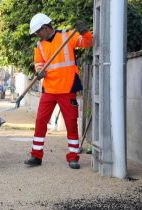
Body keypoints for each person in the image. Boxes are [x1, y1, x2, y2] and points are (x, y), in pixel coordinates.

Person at [24, 13, 93, 169]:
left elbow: (87, 43)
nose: (37, 35)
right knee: (41, 121)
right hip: (48, 88)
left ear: (46, 28)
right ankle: (36, 156)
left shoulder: (67, 36)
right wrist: (39, 70)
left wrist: (85, 33)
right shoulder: (39, 45)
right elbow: (38, 62)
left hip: (67, 88)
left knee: (71, 123)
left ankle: (73, 157)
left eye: (38, 31)